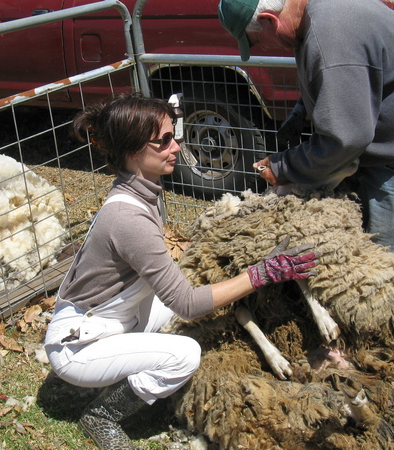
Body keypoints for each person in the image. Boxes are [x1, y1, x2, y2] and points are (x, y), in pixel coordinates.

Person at [44, 93, 318, 450]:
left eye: (176, 135)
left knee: (194, 302)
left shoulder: (145, 192)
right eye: (163, 141)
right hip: (79, 345)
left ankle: (133, 369)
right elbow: (188, 303)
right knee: (185, 352)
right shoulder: (128, 217)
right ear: (131, 150)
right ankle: (103, 416)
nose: (176, 147)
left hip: (115, 315)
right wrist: (261, 274)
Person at [219, 0, 394, 259]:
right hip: (384, 141)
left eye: (256, 41)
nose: (263, 48)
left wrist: (283, 167)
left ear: (269, 20)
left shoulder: (329, 33)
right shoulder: (314, 17)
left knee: (384, 264)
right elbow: (343, 86)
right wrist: (303, 110)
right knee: (362, 251)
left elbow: (345, 138)